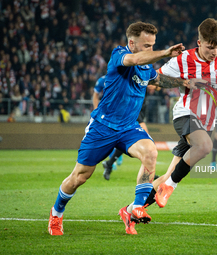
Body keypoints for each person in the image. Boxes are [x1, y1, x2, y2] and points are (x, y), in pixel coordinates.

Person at [48, 21, 189, 236]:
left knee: (150, 152)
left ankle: (136, 208)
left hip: (128, 127)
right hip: (103, 127)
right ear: (131, 43)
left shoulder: (145, 66)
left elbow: (158, 79)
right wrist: (165, 52)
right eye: (146, 45)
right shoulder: (120, 56)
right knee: (79, 177)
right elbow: (136, 58)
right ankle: (56, 213)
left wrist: (184, 82)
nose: (150, 49)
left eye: (153, 45)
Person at [153, 18, 217, 208]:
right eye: (209, 47)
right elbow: (155, 79)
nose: (214, 52)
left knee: (171, 171)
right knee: (205, 146)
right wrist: (182, 82)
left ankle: (133, 208)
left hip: (206, 123)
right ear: (199, 43)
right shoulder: (184, 59)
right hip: (185, 113)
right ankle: (170, 186)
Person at [92, 75, 124, 178]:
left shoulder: (121, 78)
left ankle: (113, 158)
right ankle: (111, 160)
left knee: (120, 135)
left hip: (119, 113)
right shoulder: (102, 80)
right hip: (105, 114)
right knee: (108, 136)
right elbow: (95, 95)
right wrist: (96, 109)